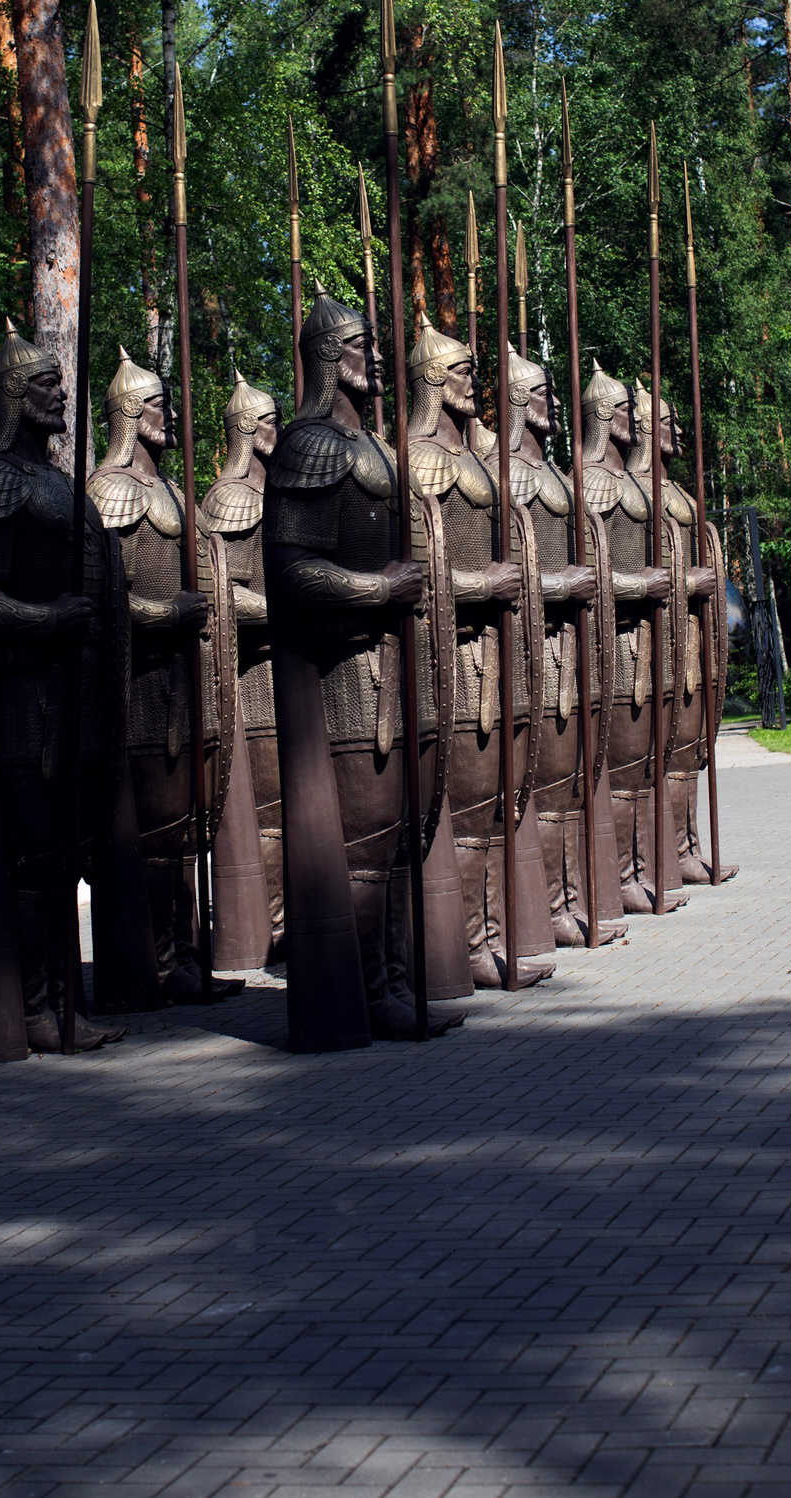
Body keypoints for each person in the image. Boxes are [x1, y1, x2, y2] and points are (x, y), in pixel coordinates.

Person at [266, 290, 451, 1047]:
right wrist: (379, 589)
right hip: (350, 671)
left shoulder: (372, 446)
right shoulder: (309, 446)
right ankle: (372, 991)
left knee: (404, 833)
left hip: (399, 665)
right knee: (371, 843)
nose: (375, 358)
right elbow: (293, 570)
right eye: (362, 346)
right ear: (327, 358)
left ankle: (398, 984)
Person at [0, 321, 127, 1058]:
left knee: (60, 860)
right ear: (17, 395)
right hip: (26, 704)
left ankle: (62, 1007)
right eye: (48, 384)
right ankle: (36, 1008)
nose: (60, 395)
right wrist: (45, 618)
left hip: (71, 696)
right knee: (33, 865)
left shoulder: (55, 482)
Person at [405, 316, 546, 989]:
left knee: (490, 801)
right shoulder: (418, 460)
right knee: (459, 807)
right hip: (449, 657)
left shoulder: (470, 457)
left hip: (494, 650)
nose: (473, 383)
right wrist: (483, 582)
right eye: (462, 372)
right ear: (434, 379)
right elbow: (418, 563)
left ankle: (488, 935)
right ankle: (461, 943)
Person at [87, 348, 226, 1005]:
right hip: (138, 690)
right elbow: (105, 599)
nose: (170, 415)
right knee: (150, 841)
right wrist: (170, 612)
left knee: (182, 837)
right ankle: (155, 963)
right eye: (160, 406)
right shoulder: (111, 490)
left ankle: (186, 960)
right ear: (131, 414)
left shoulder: (171, 490)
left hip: (182, 686)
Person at [504, 347, 609, 945]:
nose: (551, 403)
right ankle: (544, 906)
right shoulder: (508, 474)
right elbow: (511, 564)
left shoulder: (555, 476)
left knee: (567, 775)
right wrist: (561, 582)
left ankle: (568, 899)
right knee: (540, 779)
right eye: (542, 392)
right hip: (528, 645)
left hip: (568, 643)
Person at [580, 360, 678, 913]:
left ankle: (647, 866)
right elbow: (595, 565)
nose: (634, 421)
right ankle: (619, 876)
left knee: (647, 758)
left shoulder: (633, 484)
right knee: (617, 764)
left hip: (648, 636)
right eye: (624, 411)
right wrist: (643, 581)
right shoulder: (591, 480)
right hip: (612, 640)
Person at [201, 372, 282, 970]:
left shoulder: (275, 492)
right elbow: (226, 595)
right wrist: (291, 608)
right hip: (252, 678)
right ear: (249, 431)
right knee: (268, 812)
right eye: (271, 422)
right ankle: (273, 924)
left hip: (287, 673)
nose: (278, 430)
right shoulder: (230, 498)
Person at [643, 388, 732, 886]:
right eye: (666, 422)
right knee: (667, 747)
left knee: (691, 747)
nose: (676, 430)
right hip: (656, 642)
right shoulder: (635, 493)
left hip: (694, 635)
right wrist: (687, 579)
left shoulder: (678, 495)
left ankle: (689, 845)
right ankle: (668, 854)